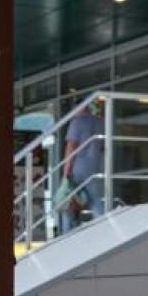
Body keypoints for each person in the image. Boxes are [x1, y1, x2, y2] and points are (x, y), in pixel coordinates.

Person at [60, 99, 105, 234]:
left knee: (68, 202)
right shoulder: (100, 122)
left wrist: (66, 172)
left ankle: (66, 235)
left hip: (78, 167)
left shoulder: (76, 122)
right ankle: (104, 234)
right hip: (95, 167)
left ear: (78, 108)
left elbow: (71, 147)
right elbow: (102, 147)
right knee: (96, 202)